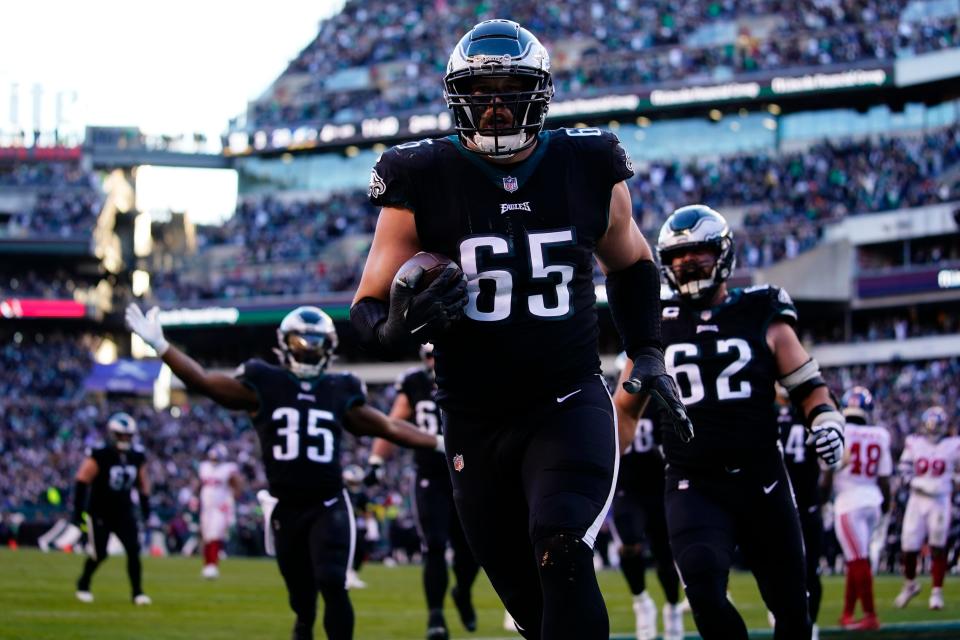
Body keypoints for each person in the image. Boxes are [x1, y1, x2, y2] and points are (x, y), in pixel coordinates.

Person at [349, 19, 691, 640]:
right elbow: (368, 308)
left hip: (566, 401)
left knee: (561, 550)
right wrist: (401, 321)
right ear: (458, 97)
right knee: (532, 608)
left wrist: (647, 350)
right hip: (473, 418)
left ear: (542, 92)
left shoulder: (586, 162)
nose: (498, 103)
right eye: (483, 91)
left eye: (512, 88)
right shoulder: (420, 174)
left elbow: (634, 261)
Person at [126, 304, 443, 640]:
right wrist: (162, 347)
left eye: (315, 343)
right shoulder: (265, 382)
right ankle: (303, 624)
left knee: (333, 582)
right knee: (302, 599)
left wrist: (438, 442)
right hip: (286, 508)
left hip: (329, 504)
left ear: (329, 347)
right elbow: (203, 381)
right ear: (284, 343)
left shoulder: (339, 389)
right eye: (300, 342)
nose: (307, 350)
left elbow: (389, 427)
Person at [614, 205, 845, 640]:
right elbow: (624, 410)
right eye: (679, 256)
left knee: (794, 609)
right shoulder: (654, 326)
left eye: (699, 252)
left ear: (722, 253)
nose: (687, 263)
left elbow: (808, 385)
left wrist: (827, 419)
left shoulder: (762, 310)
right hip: (692, 484)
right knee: (704, 595)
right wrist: (596, 467)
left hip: (763, 481)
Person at [368, 343, 481, 640]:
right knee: (433, 544)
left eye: (438, 354)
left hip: (466, 474)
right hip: (429, 475)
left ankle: (463, 592)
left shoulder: (470, 377)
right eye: (430, 355)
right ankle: (436, 616)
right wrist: (376, 460)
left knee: (471, 550)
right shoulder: (415, 382)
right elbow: (393, 422)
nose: (434, 360)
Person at [611, 355, 683, 640]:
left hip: (659, 487)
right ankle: (641, 601)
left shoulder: (659, 402)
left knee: (666, 556)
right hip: (628, 488)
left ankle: (673, 609)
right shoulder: (611, 403)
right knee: (628, 543)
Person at [72, 412, 153, 606]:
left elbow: (143, 483)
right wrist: (78, 512)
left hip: (124, 510)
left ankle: (137, 592)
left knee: (133, 550)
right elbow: (82, 479)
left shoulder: (136, 456)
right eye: (120, 435)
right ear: (112, 434)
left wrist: (145, 509)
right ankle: (83, 584)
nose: (124, 439)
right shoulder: (100, 454)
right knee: (100, 553)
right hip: (100, 511)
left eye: (127, 435)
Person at [829, 386, 892, 630]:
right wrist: (886, 507)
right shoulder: (880, 434)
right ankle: (847, 613)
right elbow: (885, 479)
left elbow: (826, 472)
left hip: (848, 501)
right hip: (872, 500)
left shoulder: (840, 430)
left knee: (857, 560)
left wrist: (823, 498)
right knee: (857, 558)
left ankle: (870, 615)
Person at [893, 405, 960, 611]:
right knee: (908, 547)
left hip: (940, 500)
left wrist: (954, 480)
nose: (933, 430)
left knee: (938, 546)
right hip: (917, 499)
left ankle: (936, 592)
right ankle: (910, 584)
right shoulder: (914, 443)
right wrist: (917, 484)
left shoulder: (954, 445)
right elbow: (903, 471)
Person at [776, 385, 824, 637]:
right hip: (806, 502)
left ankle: (787, 623)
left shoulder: (769, 415)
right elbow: (830, 465)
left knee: (779, 573)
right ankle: (809, 627)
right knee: (808, 572)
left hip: (777, 502)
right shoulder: (811, 416)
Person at [198, 442, 242, 579]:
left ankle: (213, 565)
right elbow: (201, 485)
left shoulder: (228, 469)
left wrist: (232, 499)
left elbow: (237, 484)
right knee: (206, 536)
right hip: (207, 507)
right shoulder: (204, 467)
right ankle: (207, 565)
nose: (214, 461)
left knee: (215, 535)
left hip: (220, 507)